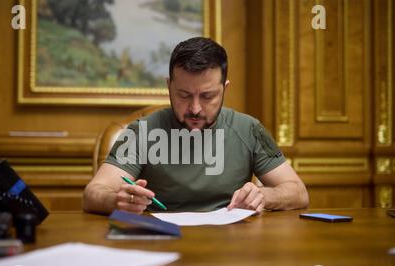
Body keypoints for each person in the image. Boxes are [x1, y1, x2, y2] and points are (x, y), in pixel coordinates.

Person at [83, 37, 309, 215]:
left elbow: (298, 192)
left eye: (208, 96)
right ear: (169, 87)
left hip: (232, 246)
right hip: (160, 241)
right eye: (184, 95)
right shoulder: (141, 132)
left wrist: (263, 196)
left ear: (225, 89)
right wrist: (117, 200)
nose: (195, 108)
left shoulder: (249, 129)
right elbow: (93, 193)